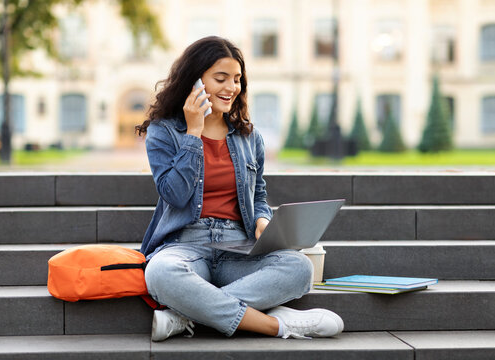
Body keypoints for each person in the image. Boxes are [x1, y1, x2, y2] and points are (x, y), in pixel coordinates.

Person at [136, 36, 343, 342]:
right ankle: (277, 325)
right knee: (159, 274)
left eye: (236, 79)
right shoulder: (164, 131)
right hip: (185, 246)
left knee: (299, 268)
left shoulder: (248, 136)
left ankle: (184, 315)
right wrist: (193, 133)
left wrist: (262, 221)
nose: (231, 87)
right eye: (220, 78)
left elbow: (258, 194)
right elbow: (175, 194)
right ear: (194, 81)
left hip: (238, 247)